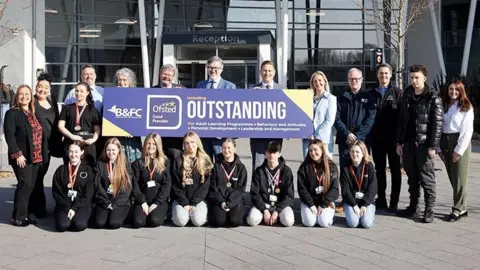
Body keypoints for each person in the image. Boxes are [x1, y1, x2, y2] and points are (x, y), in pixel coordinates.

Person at [396, 64, 443, 223]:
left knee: (427, 179)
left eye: (417, 77)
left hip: (424, 145)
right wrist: (399, 142)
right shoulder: (407, 95)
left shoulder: (433, 97)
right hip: (408, 144)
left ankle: (429, 210)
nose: (414, 81)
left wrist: (432, 146)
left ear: (424, 78)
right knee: (412, 178)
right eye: (412, 78)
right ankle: (413, 207)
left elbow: (437, 123)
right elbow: (401, 122)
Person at [4, 85, 48, 226]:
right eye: (21, 94)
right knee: (25, 184)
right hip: (22, 157)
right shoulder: (12, 113)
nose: (24, 97)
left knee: (32, 186)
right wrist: (17, 154)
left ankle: (28, 213)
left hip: (35, 156)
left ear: (31, 96)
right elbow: (9, 136)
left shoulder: (32, 113)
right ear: (17, 96)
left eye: (27, 94)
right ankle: (18, 217)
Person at [368, 63, 403, 212]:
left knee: (395, 170)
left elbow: (403, 119)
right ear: (377, 75)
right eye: (381, 73)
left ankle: (394, 202)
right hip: (377, 140)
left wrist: (400, 140)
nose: (383, 76)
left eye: (386, 73)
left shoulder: (398, 93)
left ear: (391, 75)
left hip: (393, 140)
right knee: (379, 171)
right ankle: (381, 199)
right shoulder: (371, 93)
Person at [438, 80, 473, 222]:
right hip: (445, 141)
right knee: (453, 178)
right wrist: (439, 147)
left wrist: (458, 150)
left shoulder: (466, 106)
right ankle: (462, 207)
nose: (453, 92)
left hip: (458, 141)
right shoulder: (445, 106)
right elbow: (439, 126)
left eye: (456, 90)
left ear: (461, 91)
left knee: (459, 178)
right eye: (451, 89)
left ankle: (458, 209)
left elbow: (467, 130)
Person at [334, 68, 376, 170]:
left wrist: (357, 136)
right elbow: (336, 118)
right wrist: (347, 133)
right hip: (345, 140)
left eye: (356, 79)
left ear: (361, 80)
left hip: (363, 141)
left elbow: (370, 119)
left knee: (363, 170)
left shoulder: (369, 97)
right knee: (345, 170)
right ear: (348, 80)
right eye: (351, 79)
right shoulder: (340, 98)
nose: (354, 81)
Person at [33, 73, 62, 218]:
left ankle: (36, 206)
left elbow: (55, 124)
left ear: (49, 89)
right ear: (36, 86)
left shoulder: (52, 102)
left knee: (41, 175)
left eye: (46, 87)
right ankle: (37, 208)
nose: (42, 90)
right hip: (35, 147)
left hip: (48, 147)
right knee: (36, 177)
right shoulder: (31, 102)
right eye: (40, 86)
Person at [196, 56, 236, 160]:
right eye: (210, 67)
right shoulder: (200, 85)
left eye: (216, 68)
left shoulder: (230, 87)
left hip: (221, 136)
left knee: (221, 164)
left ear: (221, 69)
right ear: (207, 68)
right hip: (203, 134)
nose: (213, 70)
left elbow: (233, 111)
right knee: (204, 164)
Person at [247, 141, 295, 227]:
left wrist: (277, 211)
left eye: (274, 152)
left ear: (279, 154)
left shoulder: (286, 171)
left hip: (280, 204)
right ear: (265, 153)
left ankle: (276, 216)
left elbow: (289, 195)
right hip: (264, 204)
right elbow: (255, 194)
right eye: (269, 152)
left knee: (289, 221)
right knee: (252, 220)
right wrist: (264, 210)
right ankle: (266, 216)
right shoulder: (259, 171)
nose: (271, 155)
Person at [171, 132, 213, 227]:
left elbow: (206, 186)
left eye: (192, 142)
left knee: (198, 221)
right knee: (180, 221)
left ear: (197, 142)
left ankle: (197, 213)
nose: (190, 145)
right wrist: (185, 203)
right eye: (187, 143)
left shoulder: (205, 160)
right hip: (181, 199)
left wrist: (194, 203)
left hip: (199, 199)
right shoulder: (178, 160)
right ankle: (184, 213)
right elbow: (175, 185)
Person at [52, 141, 95, 232]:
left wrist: (74, 208)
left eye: (76, 152)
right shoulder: (61, 169)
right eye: (71, 151)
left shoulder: (88, 170)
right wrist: (68, 207)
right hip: (64, 204)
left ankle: (76, 217)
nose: (73, 154)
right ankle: (63, 217)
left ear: (82, 152)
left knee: (80, 225)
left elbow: (88, 193)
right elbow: (56, 192)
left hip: (81, 204)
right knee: (63, 226)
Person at [131, 133, 172, 228]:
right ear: (145, 144)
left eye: (154, 144)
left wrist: (156, 203)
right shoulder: (137, 163)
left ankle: (161, 212)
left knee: (155, 221)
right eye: (148, 143)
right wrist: (143, 202)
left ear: (158, 146)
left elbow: (167, 184)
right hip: (142, 200)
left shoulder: (165, 162)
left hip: (158, 201)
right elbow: (135, 185)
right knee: (138, 222)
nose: (151, 146)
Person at [249, 60, 284, 170]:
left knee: (274, 165)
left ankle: (273, 187)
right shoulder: (252, 90)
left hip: (275, 135)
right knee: (258, 166)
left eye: (269, 71)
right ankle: (257, 188)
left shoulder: (283, 90)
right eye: (264, 70)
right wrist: (252, 96)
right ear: (260, 72)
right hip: (258, 136)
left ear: (274, 72)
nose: (267, 73)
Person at [297, 139, 339, 227]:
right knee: (309, 223)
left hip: (325, 201)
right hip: (309, 201)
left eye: (315, 150)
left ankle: (330, 214)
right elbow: (302, 189)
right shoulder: (304, 167)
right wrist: (311, 205)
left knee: (324, 223)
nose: (313, 153)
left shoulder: (331, 166)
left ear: (322, 150)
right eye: (310, 150)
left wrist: (323, 204)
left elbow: (334, 190)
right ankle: (311, 215)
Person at [58, 82, 101, 167]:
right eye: (77, 91)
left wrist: (93, 140)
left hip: (87, 144)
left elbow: (97, 129)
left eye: (81, 91)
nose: (78, 93)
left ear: (87, 93)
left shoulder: (93, 110)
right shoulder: (67, 108)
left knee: (89, 170)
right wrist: (72, 136)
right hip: (71, 142)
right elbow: (60, 126)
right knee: (69, 168)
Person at [94, 138, 132, 229]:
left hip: (120, 201)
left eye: (113, 150)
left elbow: (126, 187)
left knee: (113, 223)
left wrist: (115, 204)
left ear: (118, 150)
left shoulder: (125, 164)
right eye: (108, 150)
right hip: (104, 200)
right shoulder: (100, 164)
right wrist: (106, 202)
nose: (110, 152)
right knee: (100, 223)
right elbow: (98, 185)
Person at [209, 138, 247, 227]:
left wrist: (230, 203)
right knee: (219, 222)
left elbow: (241, 189)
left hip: (234, 200)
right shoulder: (216, 166)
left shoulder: (241, 168)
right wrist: (221, 202)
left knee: (235, 222)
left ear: (234, 149)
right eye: (224, 148)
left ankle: (233, 214)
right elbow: (213, 186)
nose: (226, 151)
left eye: (229, 148)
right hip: (219, 200)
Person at [152, 64, 185, 162]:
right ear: (159, 75)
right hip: (157, 136)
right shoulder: (151, 91)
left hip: (175, 136)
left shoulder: (182, 90)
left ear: (173, 77)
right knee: (158, 161)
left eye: (169, 75)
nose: (166, 77)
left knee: (175, 161)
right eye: (164, 74)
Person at [341, 140, 377, 228]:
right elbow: (345, 190)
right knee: (353, 223)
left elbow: (373, 188)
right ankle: (355, 216)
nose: (354, 154)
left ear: (363, 153)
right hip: (351, 201)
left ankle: (366, 215)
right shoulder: (346, 168)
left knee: (366, 224)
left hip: (366, 201)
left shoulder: (369, 166)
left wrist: (365, 205)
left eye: (357, 152)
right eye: (352, 151)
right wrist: (354, 205)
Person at [302, 71, 336, 159]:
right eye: (315, 81)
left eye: (320, 80)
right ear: (312, 83)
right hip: (308, 140)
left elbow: (329, 121)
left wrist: (316, 136)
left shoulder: (331, 99)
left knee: (325, 168)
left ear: (325, 81)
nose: (318, 83)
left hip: (324, 140)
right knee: (308, 168)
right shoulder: (307, 98)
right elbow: (302, 117)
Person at [112, 68, 142, 164]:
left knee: (135, 163)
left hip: (133, 137)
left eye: (124, 80)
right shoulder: (112, 95)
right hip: (119, 136)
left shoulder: (137, 95)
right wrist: (116, 95)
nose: (122, 82)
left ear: (130, 82)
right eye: (119, 80)